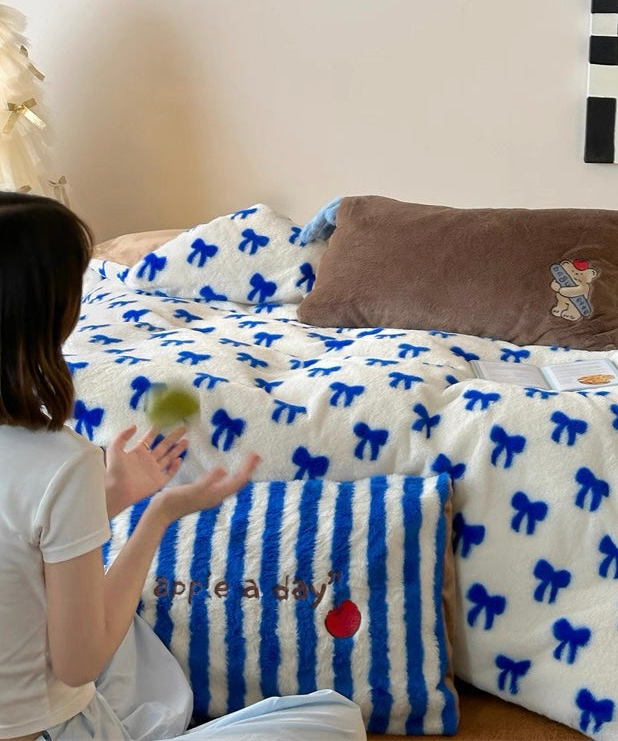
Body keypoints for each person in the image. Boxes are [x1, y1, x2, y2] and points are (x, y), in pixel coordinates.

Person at [0, 192, 366, 741]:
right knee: (334, 720)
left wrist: (106, 500)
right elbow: (79, 664)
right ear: (48, 314)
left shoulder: (59, 468)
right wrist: (157, 515)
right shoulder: (61, 460)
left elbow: (16, 551)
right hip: (54, 730)